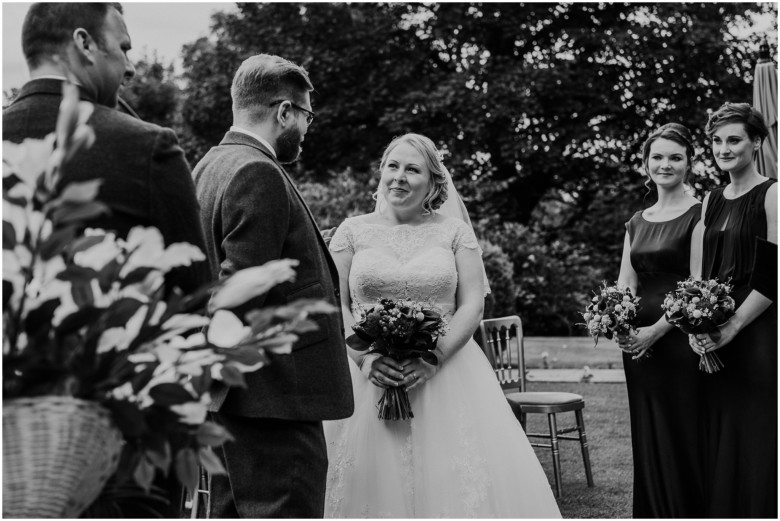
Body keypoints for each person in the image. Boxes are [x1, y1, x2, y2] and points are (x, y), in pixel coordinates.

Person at [323, 133, 561, 518]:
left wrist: (433, 357)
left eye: (412, 169)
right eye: (392, 166)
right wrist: (364, 359)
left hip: (447, 372)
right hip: (363, 375)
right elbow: (336, 302)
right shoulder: (351, 231)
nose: (399, 177)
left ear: (433, 182)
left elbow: (471, 304)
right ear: (381, 172)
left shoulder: (454, 232)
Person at [193, 54, 354, 518]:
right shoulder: (258, 172)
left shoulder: (211, 165)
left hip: (236, 401)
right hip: (274, 399)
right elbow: (238, 293)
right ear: (283, 112)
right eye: (306, 116)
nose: (307, 127)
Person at [2, 2, 209, 295]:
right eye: (124, 48)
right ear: (84, 43)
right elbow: (193, 295)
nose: (131, 68)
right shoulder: (148, 147)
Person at [689, 102, 777, 518]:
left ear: (756, 142)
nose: (724, 149)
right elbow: (702, 273)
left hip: (757, 328)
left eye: (734, 140)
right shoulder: (710, 199)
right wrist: (695, 323)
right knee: (718, 426)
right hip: (714, 329)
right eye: (717, 141)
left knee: (756, 426)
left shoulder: (773, 193)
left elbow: (774, 274)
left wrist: (735, 325)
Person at [615, 123, 705, 517]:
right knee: (648, 430)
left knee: (684, 429)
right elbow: (625, 282)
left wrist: (655, 331)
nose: (664, 164)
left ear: (689, 163)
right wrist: (618, 323)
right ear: (645, 164)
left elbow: (697, 284)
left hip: (679, 338)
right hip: (638, 344)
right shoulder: (636, 221)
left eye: (675, 157)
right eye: (657, 157)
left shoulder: (701, 214)